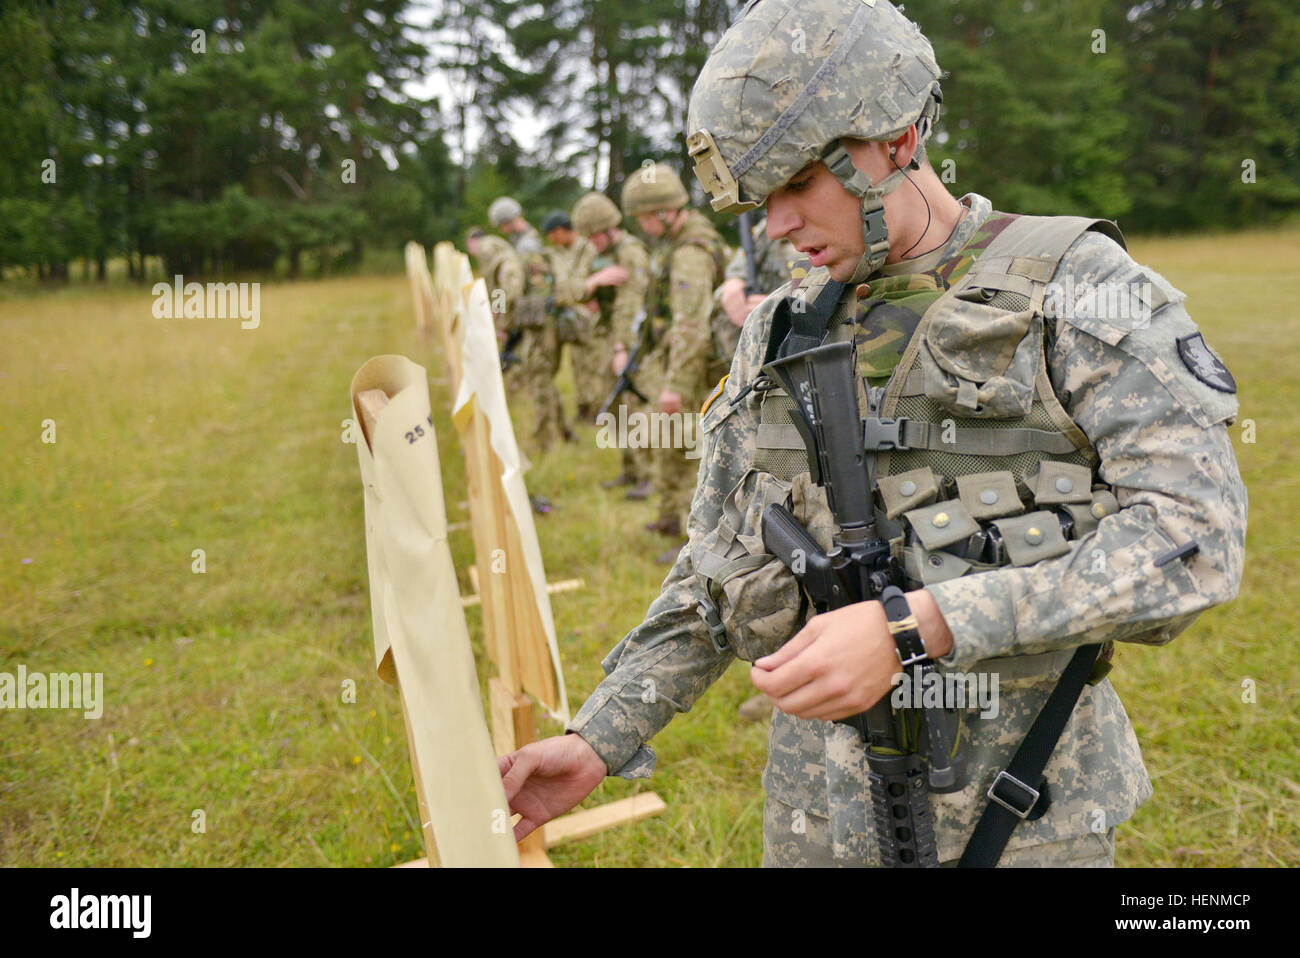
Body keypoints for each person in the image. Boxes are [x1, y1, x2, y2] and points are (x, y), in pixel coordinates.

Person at [498, 0, 1246, 867]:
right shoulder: (779, 328)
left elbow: (1196, 539)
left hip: (1025, 820)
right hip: (816, 824)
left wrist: (922, 624)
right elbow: (717, 560)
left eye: (796, 185)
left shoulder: (1075, 290)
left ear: (896, 139)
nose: (774, 225)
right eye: (757, 197)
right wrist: (600, 735)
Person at [619, 164, 729, 561]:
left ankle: (693, 540)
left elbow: (691, 324)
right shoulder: (675, 244)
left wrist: (676, 386)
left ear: (666, 212)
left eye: (646, 218)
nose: (643, 226)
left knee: (687, 451)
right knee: (669, 444)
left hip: (697, 368)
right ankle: (669, 515)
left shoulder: (688, 253)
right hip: (679, 362)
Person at [570, 191, 652, 484]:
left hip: (630, 341)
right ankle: (630, 469)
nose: (591, 244)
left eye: (595, 237)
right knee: (614, 407)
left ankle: (647, 474)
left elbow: (630, 306)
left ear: (608, 229)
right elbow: (571, 289)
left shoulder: (629, 252)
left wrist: (621, 347)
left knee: (635, 407)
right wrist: (593, 283)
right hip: (604, 338)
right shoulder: (596, 253)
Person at [489, 196, 568, 453]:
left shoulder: (525, 246)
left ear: (508, 223)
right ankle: (563, 430)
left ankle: (544, 441)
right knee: (542, 376)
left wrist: (505, 319)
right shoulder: (527, 242)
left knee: (540, 378)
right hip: (538, 320)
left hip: (538, 322)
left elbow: (517, 290)